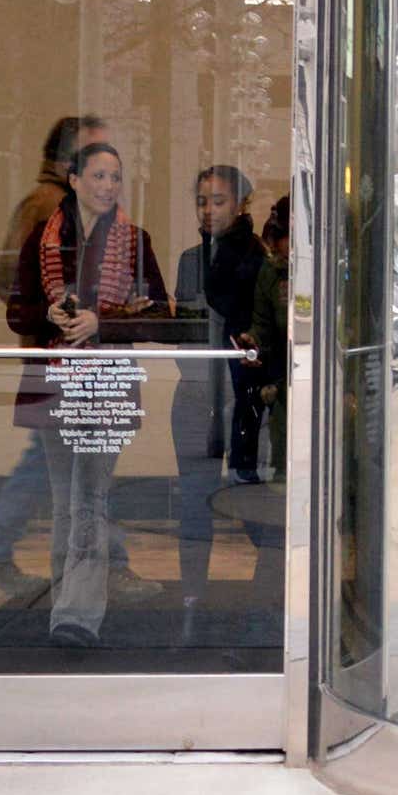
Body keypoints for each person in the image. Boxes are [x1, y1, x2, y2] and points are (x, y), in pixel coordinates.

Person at [0, 115, 149, 597]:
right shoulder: (51, 208)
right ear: (69, 162)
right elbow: (11, 281)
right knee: (79, 473)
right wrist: (61, 315)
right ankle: (97, 567)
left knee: (64, 468)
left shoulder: (70, 206)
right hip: (65, 363)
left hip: (74, 364)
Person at [7, 141, 173, 647]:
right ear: (74, 180)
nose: (108, 186)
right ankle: (66, 607)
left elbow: (162, 315)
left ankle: (77, 616)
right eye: (98, 176)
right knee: (66, 501)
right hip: (56, 383)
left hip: (106, 384)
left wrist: (105, 322)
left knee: (89, 498)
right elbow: (17, 313)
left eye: (115, 177)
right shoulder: (42, 239)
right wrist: (50, 315)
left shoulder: (135, 240)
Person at [173, 165, 263, 607]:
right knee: (194, 500)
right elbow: (185, 328)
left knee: (251, 496)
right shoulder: (191, 259)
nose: (208, 210)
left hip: (244, 394)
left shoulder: (258, 258)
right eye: (202, 201)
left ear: (241, 204)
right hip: (196, 390)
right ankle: (192, 595)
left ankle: (270, 593)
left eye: (219, 201)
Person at [251, 195, 292, 480]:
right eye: (287, 237)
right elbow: (262, 323)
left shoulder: (340, 266)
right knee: (283, 434)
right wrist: (253, 340)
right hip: (283, 372)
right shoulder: (271, 272)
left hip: (333, 371)